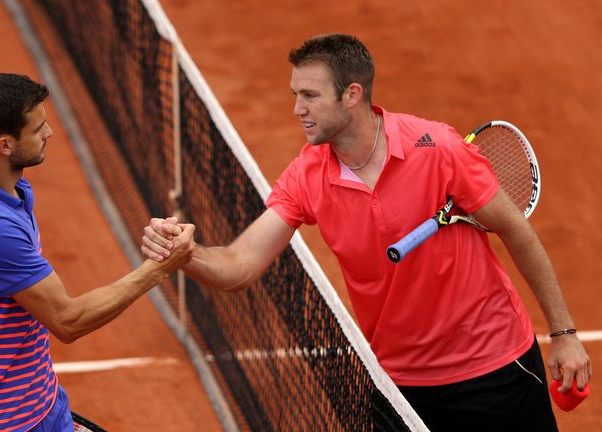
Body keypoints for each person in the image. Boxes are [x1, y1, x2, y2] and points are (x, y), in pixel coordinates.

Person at [141, 34, 591, 430]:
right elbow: (241, 265)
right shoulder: (307, 175)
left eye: (310, 96)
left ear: (351, 94)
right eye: (296, 94)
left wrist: (565, 334)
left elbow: (517, 231)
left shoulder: (437, 149)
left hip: (495, 370)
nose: (297, 109)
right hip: (401, 388)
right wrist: (188, 255)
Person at [0, 73, 195, 431]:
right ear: (5, 145)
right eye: (38, 129)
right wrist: (159, 268)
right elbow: (68, 320)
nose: (49, 134)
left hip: (41, 402)